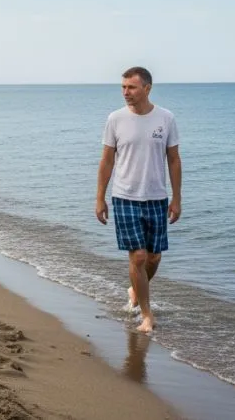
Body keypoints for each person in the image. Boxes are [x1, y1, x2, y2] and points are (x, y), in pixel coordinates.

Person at [95, 66, 182, 333]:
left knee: (154, 258)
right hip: (125, 196)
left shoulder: (165, 118)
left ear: (147, 88)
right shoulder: (115, 119)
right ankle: (147, 315)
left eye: (131, 87)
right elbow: (107, 160)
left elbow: (174, 159)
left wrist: (176, 199)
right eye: (123, 87)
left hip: (156, 197)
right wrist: (100, 198)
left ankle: (135, 290)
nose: (126, 92)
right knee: (139, 257)